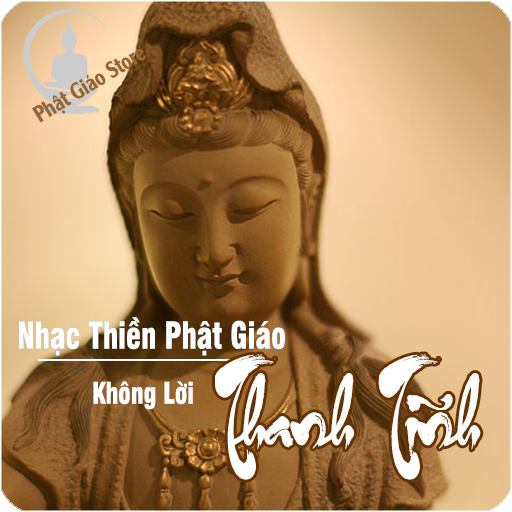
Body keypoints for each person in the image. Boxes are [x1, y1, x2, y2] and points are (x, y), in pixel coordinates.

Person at [2, 2, 446, 510]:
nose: (213, 250)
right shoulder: (64, 406)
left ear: (308, 207)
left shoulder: (380, 409)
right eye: (173, 214)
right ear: (135, 223)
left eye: (249, 207)